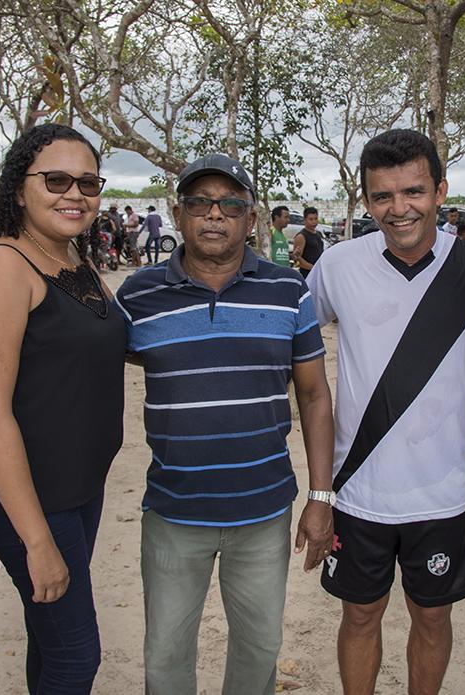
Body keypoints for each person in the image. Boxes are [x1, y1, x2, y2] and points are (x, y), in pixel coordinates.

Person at [305, 129, 465, 695]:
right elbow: (295, 344)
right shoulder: (337, 265)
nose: (398, 208)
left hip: (441, 493)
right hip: (357, 488)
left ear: (440, 191)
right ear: (364, 200)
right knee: (359, 616)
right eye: (382, 196)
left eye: (413, 192)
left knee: (433, 618)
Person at [116, 153, 335, 695]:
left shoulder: (288, 291)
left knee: (259, 651)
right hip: (172, 512)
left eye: (231, 204)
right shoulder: (139, 298)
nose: (215, 215)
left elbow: (313, 394)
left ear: (251, 218)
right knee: (165, 656)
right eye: (200, 202)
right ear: (178, 212)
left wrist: (321, 497)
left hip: (262, 513)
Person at [0, 124, 127, 695]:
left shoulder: (74, 258)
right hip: (33, 497)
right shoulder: (1, 266)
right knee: (77, 656)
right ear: (19, 187)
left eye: (87, 182)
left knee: (50, 636)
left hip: (80, 489)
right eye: (55, 180)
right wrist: (34, 539)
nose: (74, 193)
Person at [291, 205, 323, 277]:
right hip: (308, 274)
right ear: (305, 220)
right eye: (311, 219)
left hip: (318, 272)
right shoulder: (301, 236)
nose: (314, 222)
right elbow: (298, 259)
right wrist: (313, 268)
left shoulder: (318, 234)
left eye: (315, 219)